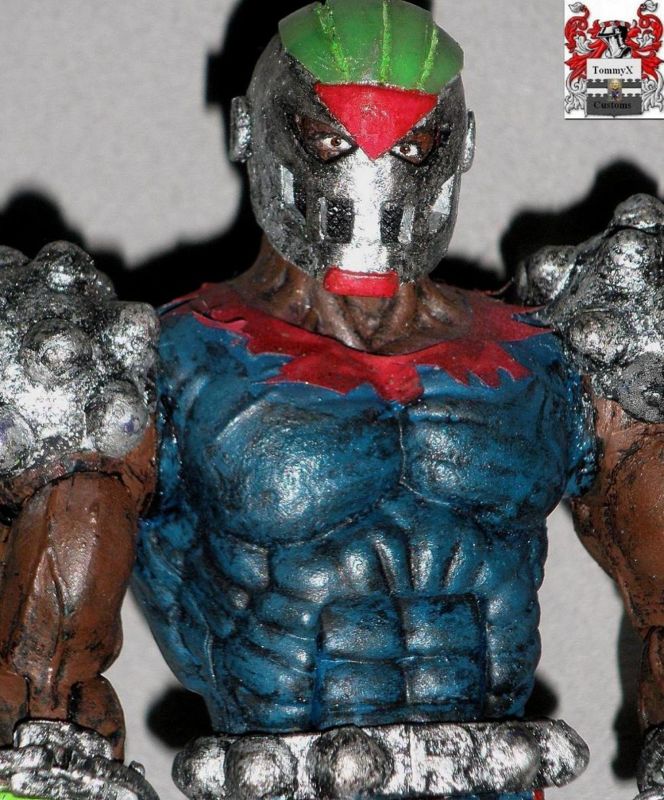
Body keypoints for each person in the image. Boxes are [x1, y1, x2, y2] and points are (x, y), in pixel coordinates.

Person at [1, 3, 664, 800]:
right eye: (328, 139)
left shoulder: (545, 359)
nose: (374, 172)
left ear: (461, 145)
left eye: (413, 145)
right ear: (252, 131)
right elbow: (48, 680)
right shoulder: (164, 367)